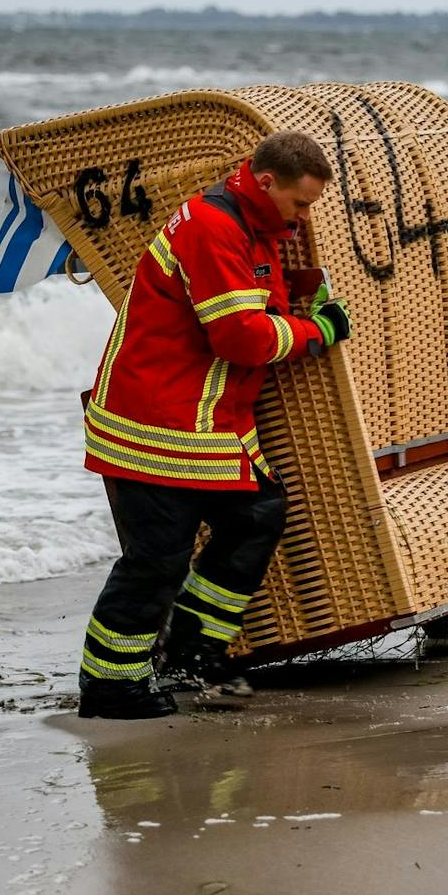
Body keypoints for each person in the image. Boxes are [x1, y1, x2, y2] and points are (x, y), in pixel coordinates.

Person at [76, 132, 354, 719]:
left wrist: (303, 298)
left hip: (206, 421)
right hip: (154, 421)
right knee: (156, 559)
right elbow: (241, 336)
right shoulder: (212, 226)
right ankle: (109, 688)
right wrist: (319, 332)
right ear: (265, 182)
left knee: (257, 517)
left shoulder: (254, 225)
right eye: (301, 204)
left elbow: (257, 306)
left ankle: (191, 650)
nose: (305, 218)